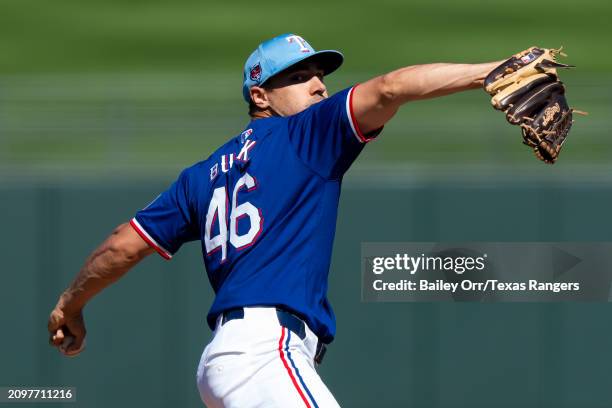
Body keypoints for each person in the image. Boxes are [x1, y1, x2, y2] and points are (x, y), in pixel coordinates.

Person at [48, 33, 502, 407]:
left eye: (319, 76)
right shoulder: (306, 134)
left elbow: (122, 244)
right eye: (299, 77)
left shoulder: (199, 176)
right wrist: (492, 72)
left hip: (229, 363)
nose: (319, 86)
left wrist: (71, 303)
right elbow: (389, 88)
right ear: (260, 95)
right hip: (266, 354)